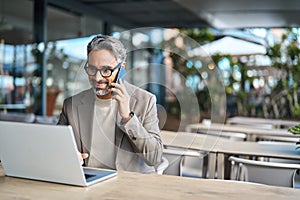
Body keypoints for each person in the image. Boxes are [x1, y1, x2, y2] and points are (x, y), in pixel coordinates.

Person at [57, 35, 163, 173]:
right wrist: (68, 156)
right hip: (87, 182)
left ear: (121, 67)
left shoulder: (145, 101)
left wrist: (128, 117)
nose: (97, 77)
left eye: (106, 70)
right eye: (92, 69)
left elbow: (154, 157)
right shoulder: (71, 105)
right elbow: (56, 146)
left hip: (128, 186)